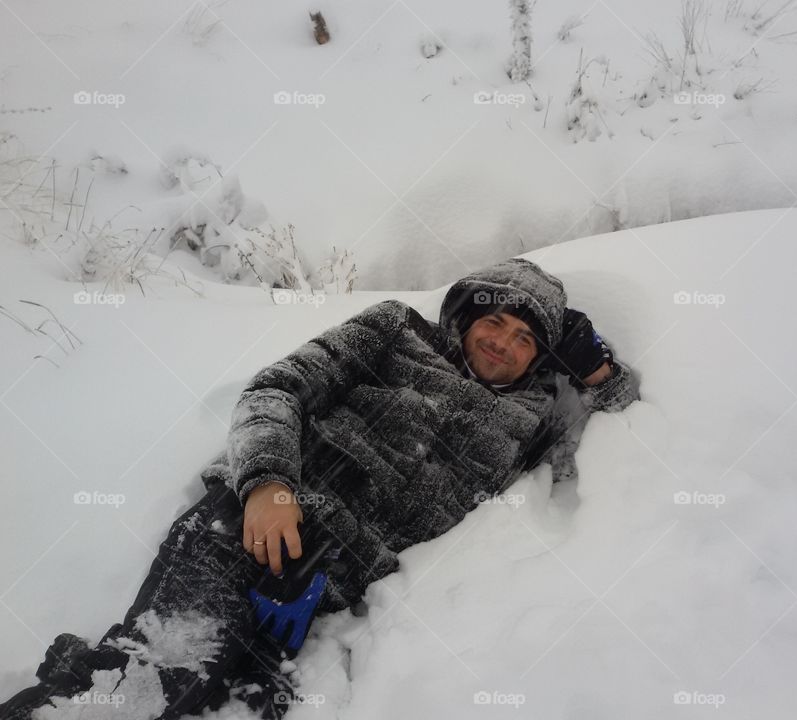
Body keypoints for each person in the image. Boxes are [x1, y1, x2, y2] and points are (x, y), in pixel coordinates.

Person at [0, 258, 639, 720]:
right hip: (250, 526)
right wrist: (267, 485)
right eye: (495, 321)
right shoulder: (395, 331)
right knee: (148, 689)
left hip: (320, 592)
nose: (503, 343)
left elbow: (631, 420)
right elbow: (275, 389)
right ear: (466, 317)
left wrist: (597, 365)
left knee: (233, 709)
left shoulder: (532, 419)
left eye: (526, 339)